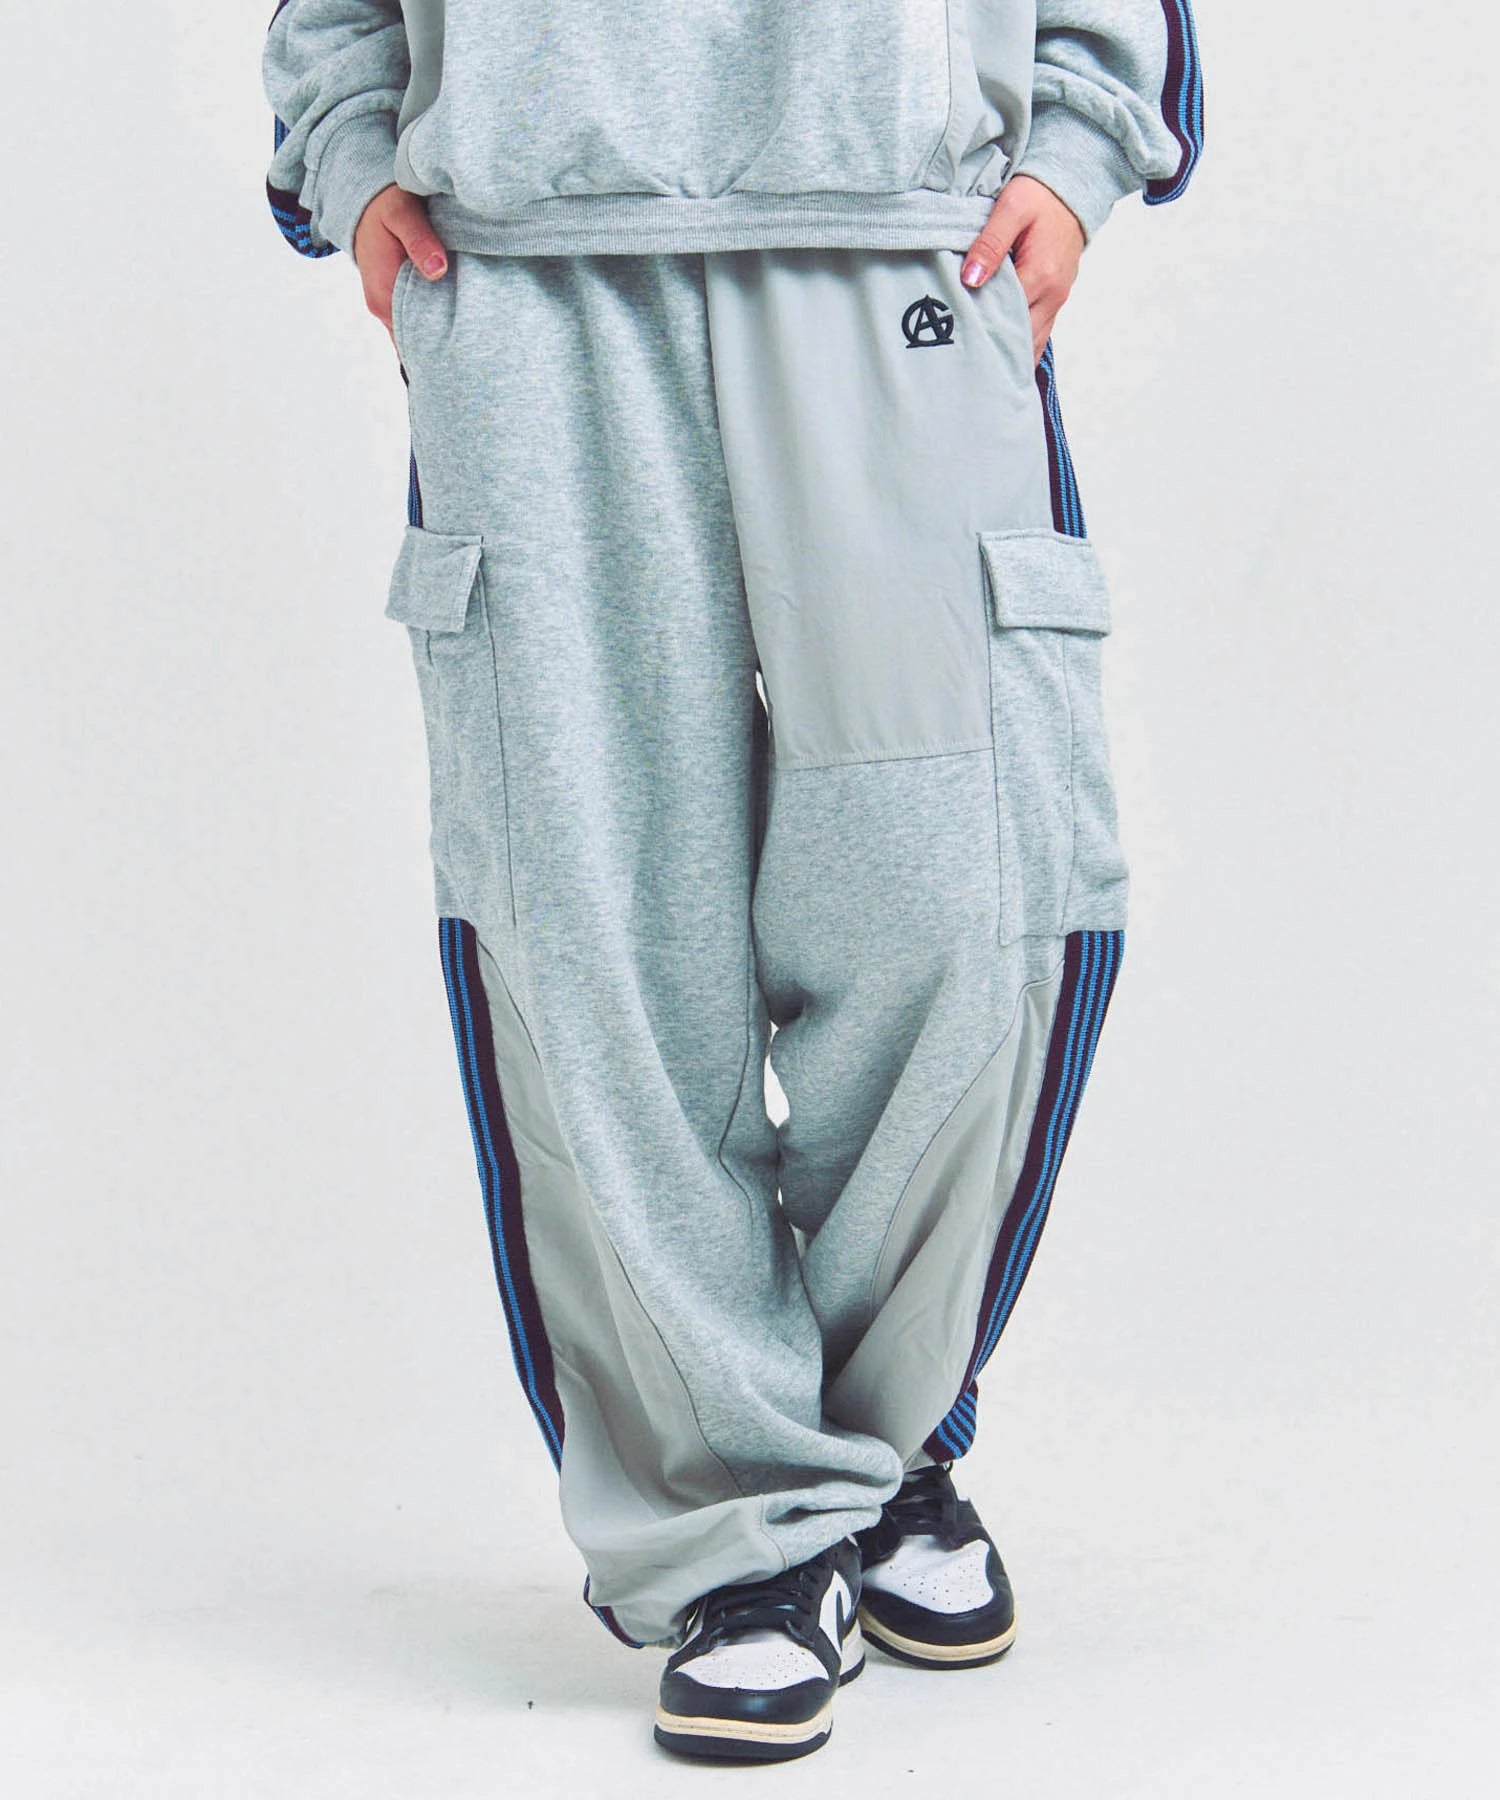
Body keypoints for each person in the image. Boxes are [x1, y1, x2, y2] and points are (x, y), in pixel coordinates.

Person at [262, 0, 1203, 1765]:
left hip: (903, 251)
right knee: (595, 947)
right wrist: (353, 144)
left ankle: (873, 1440)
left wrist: (1080, 141)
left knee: (968, 905)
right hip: (532, 272)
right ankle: (746, 1533)